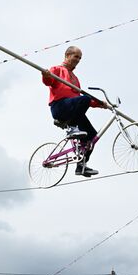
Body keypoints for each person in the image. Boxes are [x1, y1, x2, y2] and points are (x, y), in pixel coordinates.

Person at [42, 46, 107, 177]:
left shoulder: (75, 79)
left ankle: (81, 165)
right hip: (59, 106)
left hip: (72, 107)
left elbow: (79, 98)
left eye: (79, 58)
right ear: (67, 55)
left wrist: (100, 104)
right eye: (75, 56)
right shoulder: (57, 69)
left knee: (92, 135)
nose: (78, 60)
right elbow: (49, 81)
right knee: (85, 99)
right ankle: (72, 128)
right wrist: (45, 75)